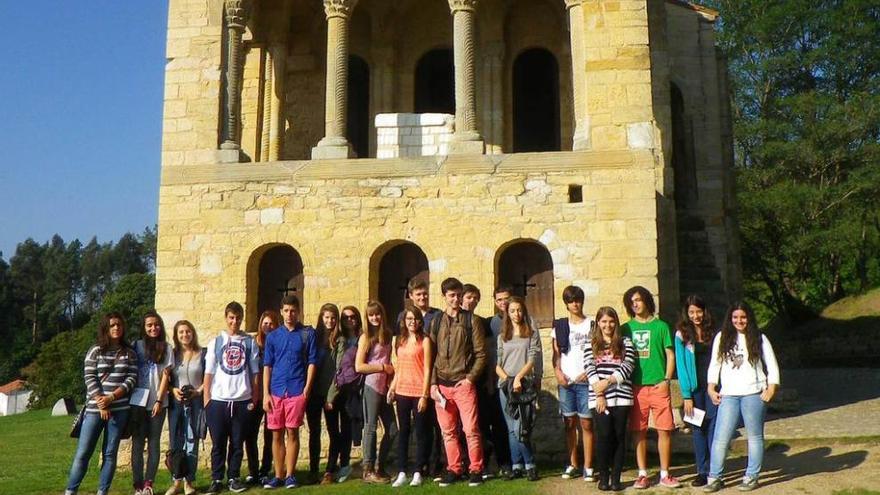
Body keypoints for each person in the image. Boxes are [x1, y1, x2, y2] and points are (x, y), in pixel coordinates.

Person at [703, 302, 779, 493]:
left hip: (753, 394)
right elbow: (715, 364)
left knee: (754, 437)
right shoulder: (722, 337)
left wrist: (770, 389)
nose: (739, 321)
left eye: (743, 317)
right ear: (730, 318)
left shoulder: (760, 338)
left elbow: (772, 365)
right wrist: (711, 387)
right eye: (735, 317)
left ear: (749, 318)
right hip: (729, 394)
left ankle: (752, 476)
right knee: (721, 438)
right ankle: (715, 477)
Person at [64, 313, 138, 495]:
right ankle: (71, 490)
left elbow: (132, 378)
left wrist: (111, 398)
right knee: (83, 453)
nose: (116, 328)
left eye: (119, 325)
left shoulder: (129, 353)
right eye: (112, 325)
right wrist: (102, 404)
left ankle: (102, 492)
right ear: (105, 328)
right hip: (95, 409)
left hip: (119, 409)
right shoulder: (95, 350)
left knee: (110, 454)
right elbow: (89, 376)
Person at [429, 277, 487, 488]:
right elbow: (431, 355)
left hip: (463, 383)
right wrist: (433, 384)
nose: (456, 299)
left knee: (471, 429)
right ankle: (454, 468)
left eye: (458, 295)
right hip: (442, 386)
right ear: (444, 297)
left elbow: (481, 354)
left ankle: (476, 469)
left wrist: (470, 379)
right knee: (448, 431)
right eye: (452, 295)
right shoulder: (436, 321)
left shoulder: (472, 321)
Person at [621, 286, 681, 489]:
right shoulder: (625, 328)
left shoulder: (661, 326)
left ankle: (665, 473)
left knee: (665, 429)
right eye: (631, 302)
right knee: (639, 431)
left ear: (647, 300)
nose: (635, 304)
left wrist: (666, 379)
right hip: (636, 387)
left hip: (658, 385)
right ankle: (642, 474)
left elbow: (670, 355)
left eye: (638, 300)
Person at [204, 301, 261, 494]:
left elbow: (255, 373)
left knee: (237, 443)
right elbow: (209, 373)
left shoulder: (249, 342)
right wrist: (207, 400)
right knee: (218, 443)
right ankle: (217, 478)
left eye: (237, 318)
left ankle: (234, 477)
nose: (234, 322)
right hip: (218, 400)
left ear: (242, 318)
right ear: (226, 318)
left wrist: (255, 398)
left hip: (242, 400)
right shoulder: (216, 342)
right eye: (231, 318)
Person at [262, 295, 318, 490]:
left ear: (298, 311)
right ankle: (278, 475)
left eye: (293, 311)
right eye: (286, 311)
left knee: (292, 433)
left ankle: (290, 475)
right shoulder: (273, 336)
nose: (289, 315)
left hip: (296, 390)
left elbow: (312, 362)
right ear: (281, 312)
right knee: (276, 434)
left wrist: (306, 390)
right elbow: (267, 366)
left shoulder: (307, 334)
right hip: (276, 391)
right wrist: (265, 394)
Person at [585, 307, 636, 492]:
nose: (608, 325)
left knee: (619, 437)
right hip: (599, 399)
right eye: (604, 321)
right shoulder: (590, 344)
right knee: (604, 436)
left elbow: (628, 365)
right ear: (598, 323)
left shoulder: (625, 343)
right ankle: (603, 477)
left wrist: (608, 381)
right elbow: (590, 368)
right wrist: (599, 394)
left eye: (611, 321)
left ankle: (616, 478)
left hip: (621, 398)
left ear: (616, 322)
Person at [463, 283, 511, 479]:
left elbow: (490, 354)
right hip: (460, 383)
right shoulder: (449, 321)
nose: (472, 300)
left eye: (475, 297)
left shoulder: (485, 323)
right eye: (468, 297)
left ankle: (504, 463)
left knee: (497, 423)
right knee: (473, 427)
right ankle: (474, 464)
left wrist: (491, 380)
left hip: (483, 381)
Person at [496, 296, 543, 482]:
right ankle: (517, 465)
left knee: (521, 427)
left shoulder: (530, 333)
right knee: (510, 428)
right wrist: (507, 379)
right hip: (506, 385)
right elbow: (498, 364)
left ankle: (530, 464)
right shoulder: (502, 336)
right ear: (507, 313)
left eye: (519, 310)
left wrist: (518, 378)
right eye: (513, 310)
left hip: (523, 385)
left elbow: (531, 359)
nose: (516, 314)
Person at [551, 285, 596, 482]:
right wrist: (557, 372)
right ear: (566, 304)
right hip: (566, 381)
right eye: (571, 301)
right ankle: (572, 464)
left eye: (578, 300)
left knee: (586, 423)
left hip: (586, 380)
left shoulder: (591, 325)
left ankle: (588, 466)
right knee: (569, 423)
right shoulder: (560, 326)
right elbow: (556, 354)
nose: (575, 304)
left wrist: (589, 372)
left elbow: (597, 353)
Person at [388, 304, 434, 487]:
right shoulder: (400, 340)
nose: (412, 322)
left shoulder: (425, 341)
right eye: (408, 319)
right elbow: (399, 367)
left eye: (415, 319)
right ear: (403, 321)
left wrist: (424, 395)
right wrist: (393, 387)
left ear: (419, 321)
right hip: (402, 392)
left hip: (418, 391)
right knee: (403, 432)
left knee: (421, 432)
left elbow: (428, 368)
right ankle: (401, 471)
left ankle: (418, 471)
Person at [674, 295, 717, 487]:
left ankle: (715, 470)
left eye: (698, 311)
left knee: (714, 428)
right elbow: (681, 367)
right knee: (698, 429)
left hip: (713, 388)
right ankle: (702, 470)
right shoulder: (681, 335)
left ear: (704, 311)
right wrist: (686, 396)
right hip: (694, 389)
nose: (696, 316)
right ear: (687, 313)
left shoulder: (714, 332)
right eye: (691, 312)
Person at [131, 311, 174, 495]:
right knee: (138, 444)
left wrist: (159, 399)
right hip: (138, 403)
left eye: (156, 324)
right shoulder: (136, 346)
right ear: (144, 327)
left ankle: (149, 484)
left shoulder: (166, 347)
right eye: (149, 325)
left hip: (158, 403)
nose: (153, 328)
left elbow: (166, 376)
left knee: (154, 443)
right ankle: (138, 485)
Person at [355, 300, 398, 483]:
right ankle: (368, 469)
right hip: (371, 386)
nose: (374, 318)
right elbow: (359, 366)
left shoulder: (388, 335)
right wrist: (382, 367)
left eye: (377, 314)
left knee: (393, 429)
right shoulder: (366, 337)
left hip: (384, 387)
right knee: (371, 427)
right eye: (371, 315)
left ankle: (381, 465)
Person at [166, 320, 206, 495]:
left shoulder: (203, 354)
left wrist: (198, 392)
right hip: (176, 404)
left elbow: (209, 379)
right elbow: (165, 380)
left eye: (188, 331)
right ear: (176, 335)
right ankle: (176, 482)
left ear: (193, 333)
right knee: (176, 442)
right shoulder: (172, 355)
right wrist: (172, 389)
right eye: (181, 332)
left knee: (192, 442)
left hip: (195, 402)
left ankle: (189, 482)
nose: (185, 335)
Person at [325, 305, 363, 483]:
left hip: (351, 390)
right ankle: (331, 467)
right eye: (346, 317)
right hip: (335, 388)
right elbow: (336, 367)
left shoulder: (362, 338)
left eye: (353, 317)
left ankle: (345, 464)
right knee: (334, 431)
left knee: (347, 429)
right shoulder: (338, 339)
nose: (349, 320)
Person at [243, 310, 279, 485]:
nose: (268, 327)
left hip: (273, 394)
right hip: (254, 394)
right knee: (250, 433)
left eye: (271, 323)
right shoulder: (252, 344)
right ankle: (253, 470)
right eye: (265, 323)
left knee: (270, 434)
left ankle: (265, 470)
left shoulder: (278, 344)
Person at [310, 303, 343, 484]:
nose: (329, 321)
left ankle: (330, 469)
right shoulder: (314, 337)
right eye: (326, 317)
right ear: (321, 318)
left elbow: (338, 370)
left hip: (331, 393)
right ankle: (314, 469)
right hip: (314, 392)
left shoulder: (339, 340)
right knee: (314, 431)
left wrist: (330, 396)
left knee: (333, 431)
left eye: (332, 318)